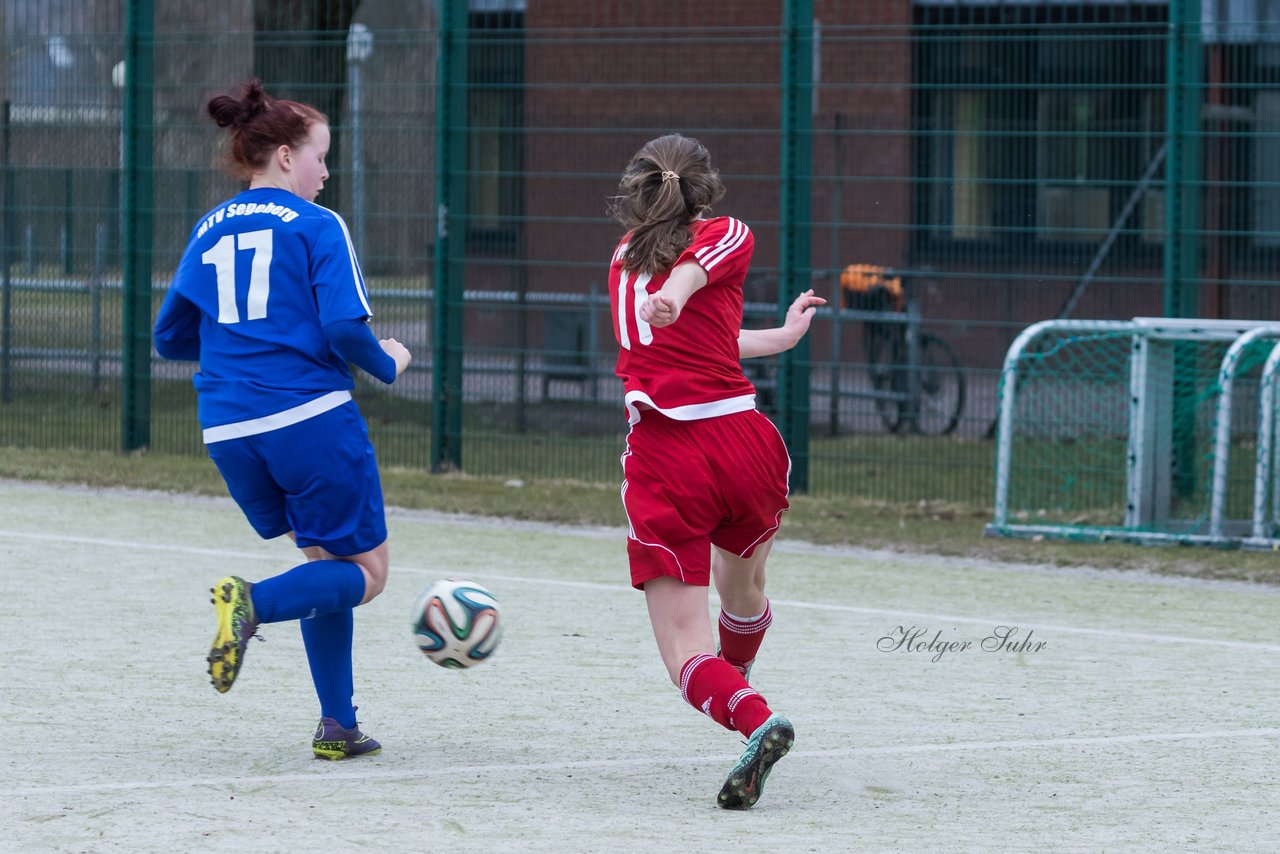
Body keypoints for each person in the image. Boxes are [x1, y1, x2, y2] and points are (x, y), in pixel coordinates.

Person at [153, 79, 411, 760]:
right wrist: (389, 361)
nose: (327, 171)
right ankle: (251, 602)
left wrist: (239, 349)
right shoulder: (318, 225)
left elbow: (169, 338)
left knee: (324, 558)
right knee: (368, 572)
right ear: (287, 156)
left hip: (228, 429)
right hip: (307, 419)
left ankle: (338, 725)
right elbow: (344, 328)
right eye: (322, 156)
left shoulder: (208, 226)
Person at [606, 133, 825, 809]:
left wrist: (775, 336)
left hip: (671, 458)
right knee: (745, 588)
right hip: (745, 447)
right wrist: (683, 296)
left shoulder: (622, 260)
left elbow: (685, 289)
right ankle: (739, 685)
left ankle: (752, 715)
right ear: (707, 187)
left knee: (683, 647)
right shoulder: (731, 232)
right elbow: (696, 289)